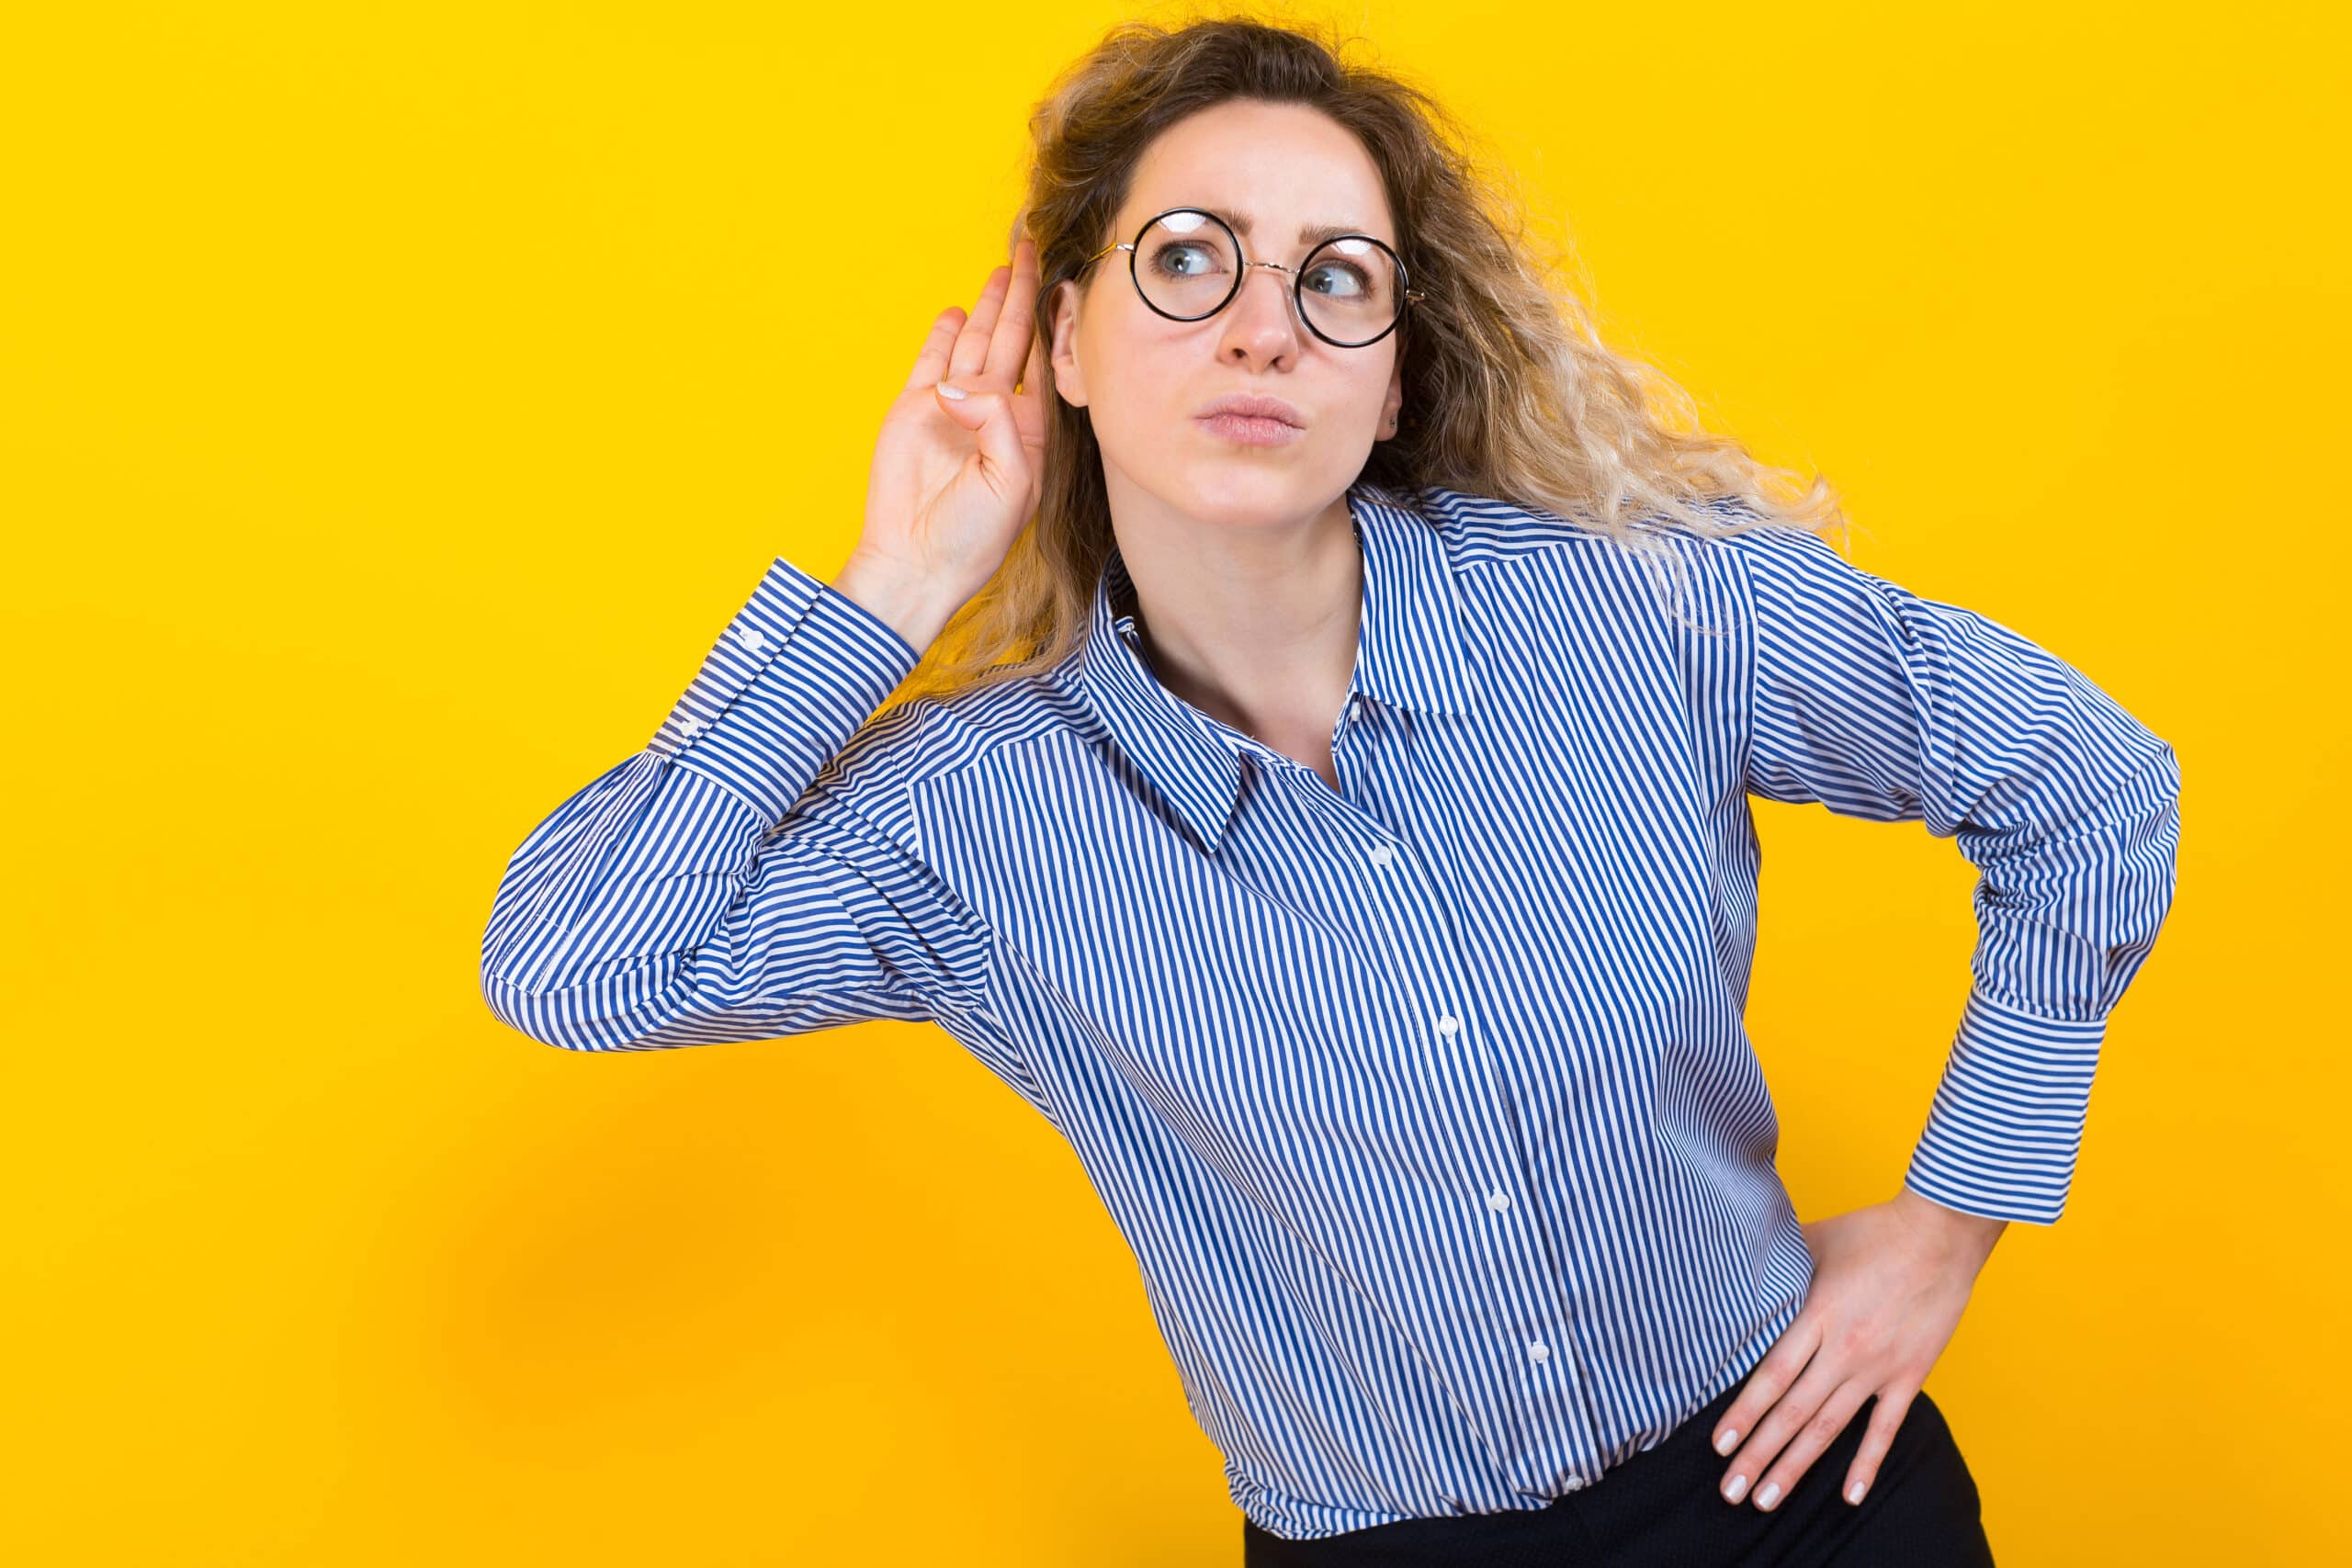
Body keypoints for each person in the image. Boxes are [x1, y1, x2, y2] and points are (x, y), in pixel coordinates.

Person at [478, 17, 2181, 1563]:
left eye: (1335, 280)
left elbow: (2090, 784)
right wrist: (890, 591)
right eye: (1189, 262)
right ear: (1062, 338)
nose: (1263, 332)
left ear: (1388, 378)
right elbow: (573, 968)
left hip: (1796, 1496)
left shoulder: (1644, 608)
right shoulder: (972, 822)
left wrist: (1956, 1222)